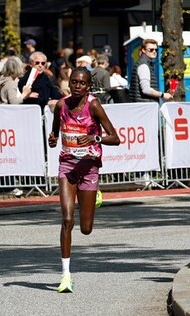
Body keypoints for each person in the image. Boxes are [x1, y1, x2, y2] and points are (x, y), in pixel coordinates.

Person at [48, 67, 120, 293]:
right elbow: (55, 133)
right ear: (69, 83)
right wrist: (52, 139)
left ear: (89, 86)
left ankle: (94, 195)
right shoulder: (61, 105)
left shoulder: (94, 105)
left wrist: (95, 137)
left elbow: (115, 138)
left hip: (89, 167)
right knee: (67, 219)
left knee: (86, 228)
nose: (77, 86)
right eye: (74, 82)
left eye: (82, 83)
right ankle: (66, 275)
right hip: (67, 166)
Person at [0, 56, 32, 197]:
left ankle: (2, 183)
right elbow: (14, 102)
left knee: (3, 152)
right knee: (9, 153)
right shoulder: (10, 84)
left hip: (2, 120)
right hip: (9, 122)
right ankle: (8, 184)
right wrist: (25, 95)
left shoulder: (2, 81)